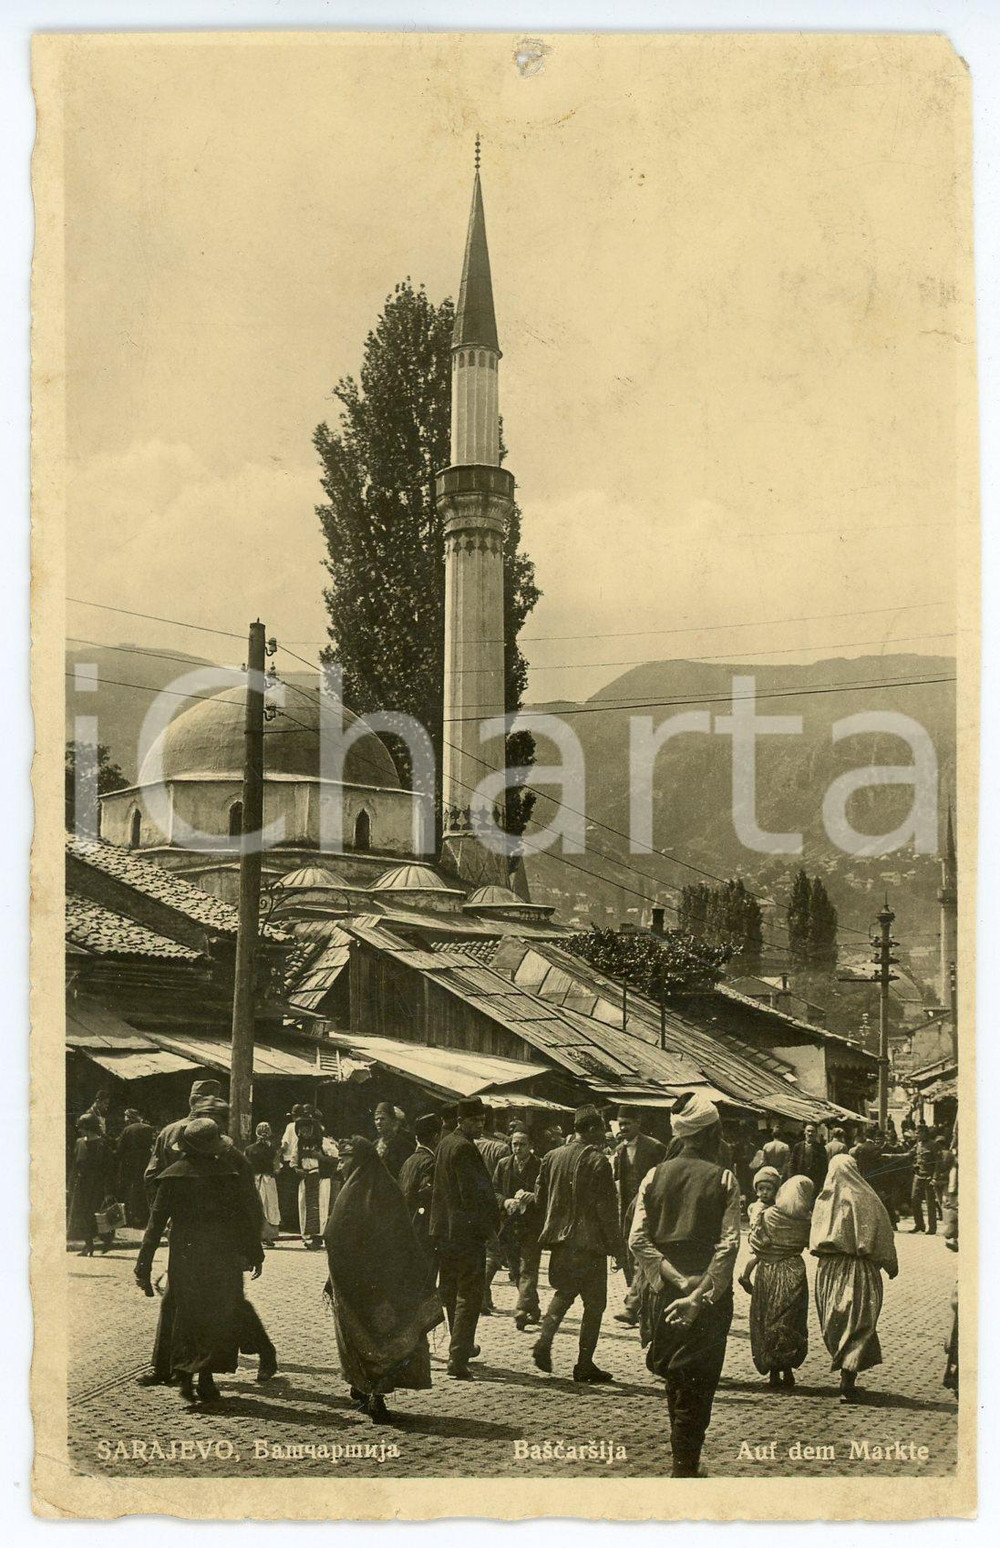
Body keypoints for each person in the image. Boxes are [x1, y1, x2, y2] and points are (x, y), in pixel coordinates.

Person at [629, 1092, 740, 1479]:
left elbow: (637, 1241)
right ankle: (685, 1466)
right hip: (707, 1296)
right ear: (711, 1134)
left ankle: (683, 1461)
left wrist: (675, 1282)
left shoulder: (653, 1176)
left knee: (676, 1379)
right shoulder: (724, 1179)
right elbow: (728, 1246)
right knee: (699, 1383)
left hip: (664, 1293)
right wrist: (697, 1294)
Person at [140, 1088, 277, 1388]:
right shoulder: (177, 1136)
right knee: (176, 1301)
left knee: (230, 1305)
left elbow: (247, 1205)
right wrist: (168, 1210)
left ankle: (263, 1352)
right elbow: (154, 1177)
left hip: (218, 1247)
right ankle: (168, 1367)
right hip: (187, 1241)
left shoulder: (231, 1159)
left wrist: (250, 1248)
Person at [323, 1135, 444, 1423]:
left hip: (379, 1285)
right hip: (354, 1282)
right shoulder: (354, 1188)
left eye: (344, 1159)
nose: (339, 1166)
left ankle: (375, 1396)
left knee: (378, 1340)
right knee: (361, 1339)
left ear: (360, 1159)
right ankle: (362, 1387)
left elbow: (398, 1237)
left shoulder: (380, 1190)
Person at [532, 1105, 624, 1383]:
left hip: (559, 1241)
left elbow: (539, 1199)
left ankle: (545, 1338)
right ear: (592, 1129)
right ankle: (584, 1364)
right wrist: (618, 1249)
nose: (605, 1134)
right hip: (589, 1245)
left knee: (563, 1292)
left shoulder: (551, 1157)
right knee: (595, 1305)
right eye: (601, 1129)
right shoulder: (598, 1161)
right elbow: (607, 1210)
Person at [809, 1152, 898, 1403]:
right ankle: (848, 1377)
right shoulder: (867, 1198)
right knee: (858, 1321)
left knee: (836, 1321)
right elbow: (882, 1235)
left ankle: (847, 1376)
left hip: (829, 1270)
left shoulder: (823, 1200)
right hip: (860, 1270)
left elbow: (813, 1241)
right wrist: (890, 1264)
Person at [429, 1096, 500, 1379]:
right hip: (465, 1234)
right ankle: (458, 1357)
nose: (480, 1126)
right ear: (461, 1121)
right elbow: (474, 1197)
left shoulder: (445, 1143)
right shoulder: (464, 1149)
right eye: (475, 1121)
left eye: (482, 1121)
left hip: (444, 1232)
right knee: (468, 1294)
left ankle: (462, 1345)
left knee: (449, 1288)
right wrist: (489, 1231)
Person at [746, 1175, 815, 1389]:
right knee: (789, 1320)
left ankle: (774, 1371)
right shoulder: (807, 1220)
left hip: (769, 1270)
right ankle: (787, 1368)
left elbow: (756, 1244)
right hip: (794, 1269)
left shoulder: (767, 1216)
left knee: (768, 1318)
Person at [611, 1108, 667, 1328]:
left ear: (638, 1122)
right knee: (629, 1256)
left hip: (651, 1211)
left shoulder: (654, 1147)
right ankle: (637, 1303)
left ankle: (633, 1305)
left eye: (627, 1124)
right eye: (620, 1124)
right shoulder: (619, 1150)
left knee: (643, 1256)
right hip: (628, 1212)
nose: (623, 1128)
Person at [492, 1127, 543, 1331]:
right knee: (515, 1270)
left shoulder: (540, 1165)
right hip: (509, 1225)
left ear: (531, 1146)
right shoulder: (504, 1165)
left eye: (522, 1144)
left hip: (532, 1225)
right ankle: (534, 1307)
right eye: (514, 1144)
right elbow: (493, 1190)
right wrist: (505, 1202)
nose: (517, 1148)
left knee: (528, 1268)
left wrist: (534, 1196)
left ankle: (521, 1309)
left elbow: (548, 1191)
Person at [397, 1113, 443, 1274]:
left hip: (407, 1226)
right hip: (423, 1230)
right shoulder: (430, 1162)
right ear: (436, 1137)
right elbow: (426, 1194)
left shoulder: (409, 1161)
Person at [67, 1113, 113, 1255]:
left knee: (99, 1216)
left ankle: (107, 1240)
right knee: (82, 1214)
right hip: (81, 1185)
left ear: (89, 1128)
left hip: (98, 1186)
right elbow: (74, 1165)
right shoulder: (79, 1143)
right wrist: (69, 1185)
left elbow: (110, 1169)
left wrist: (109, 1191)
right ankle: (88, 1246)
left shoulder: (103, 1145)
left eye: (82, 1127)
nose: (79, 1130)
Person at [291, 1110, 337, 1247]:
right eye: (302, 1129)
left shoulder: (323, 1142)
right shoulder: (298, 1144)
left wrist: (321, 1157)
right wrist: (296, 1169)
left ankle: (318, 1237)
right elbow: (293, 1161)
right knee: (304, 1206)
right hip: (306, 1178)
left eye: (307, 1129)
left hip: (320, 1179)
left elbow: (336, 1158)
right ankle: (308, 1237)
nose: (304, 1132)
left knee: (320, 1206)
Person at [737, 1166, 781, 1294]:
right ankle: (745, 1276)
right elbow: (755, 1223)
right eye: (761, 1189)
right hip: (759, 1235)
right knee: (758, 1256)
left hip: (765, 1234)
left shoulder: (771, 1204)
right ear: (756, 1191)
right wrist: (763, 1237)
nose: (765, 1192)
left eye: (769, 1189)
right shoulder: (759, 1206)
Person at [115, 1108, 156, 1229]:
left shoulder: (127, 1130)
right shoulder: (148, 1128)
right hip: (144, 1162)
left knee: (129, 1190)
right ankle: (144, 1217)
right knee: (143, 1189)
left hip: (130, 1165)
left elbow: (120, 1149)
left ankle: (131, 1218)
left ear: (129, 1117)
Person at [245, 1122, 282, 1246]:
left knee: (258, 1206)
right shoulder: (272, 1150)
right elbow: (277, 1168)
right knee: (268, 1206)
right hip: (267, 1180)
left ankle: (258, 1236)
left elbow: (246, 1166)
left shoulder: (249, 1149)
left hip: (256, 1180)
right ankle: (267, 1237)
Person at [908, 1124, 940, 1234]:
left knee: (930, 1203)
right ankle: (919, 1224)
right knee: (914, 1200)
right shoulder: (918, 1144)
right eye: (916, 1133)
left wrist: (934, 1178)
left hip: (928, 1177)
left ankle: (932, 1228)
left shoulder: (933, 1145)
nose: (917, 1135)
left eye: (918, 1133)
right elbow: (908, 1155)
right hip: (918, 1176)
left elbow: (938, 1163)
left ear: (925, 1133)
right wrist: (890, 1156)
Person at [374, 1101, 415, 1179]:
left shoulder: (404, 1146)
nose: (379, 1122)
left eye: (382, 1119)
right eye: (376, 1119)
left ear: (393, 1121)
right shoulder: (374, 1145)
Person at [788, 1123, 828, 1199]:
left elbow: (824, 1167)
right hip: (800, 1179)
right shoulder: (798, 1146)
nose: (810, 1133)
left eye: (813, 1131)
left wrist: (822, 1183)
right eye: (808, 1131)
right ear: (804, 1132)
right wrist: (791, 1179)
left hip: (815, 1181)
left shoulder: (820, 1148)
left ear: (816, 1133)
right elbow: (792, 1163)